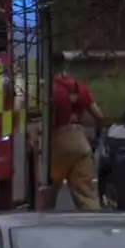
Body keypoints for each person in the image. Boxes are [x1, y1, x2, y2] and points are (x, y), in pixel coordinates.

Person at [49, 51, 104, 209]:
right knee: (87, 198)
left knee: (46, 197)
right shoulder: (79, 88)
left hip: (57, 145)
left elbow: (49, 120)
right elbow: (99, 116)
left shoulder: (49, 90)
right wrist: (96, 139)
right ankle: (94, 229)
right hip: (81, 145)